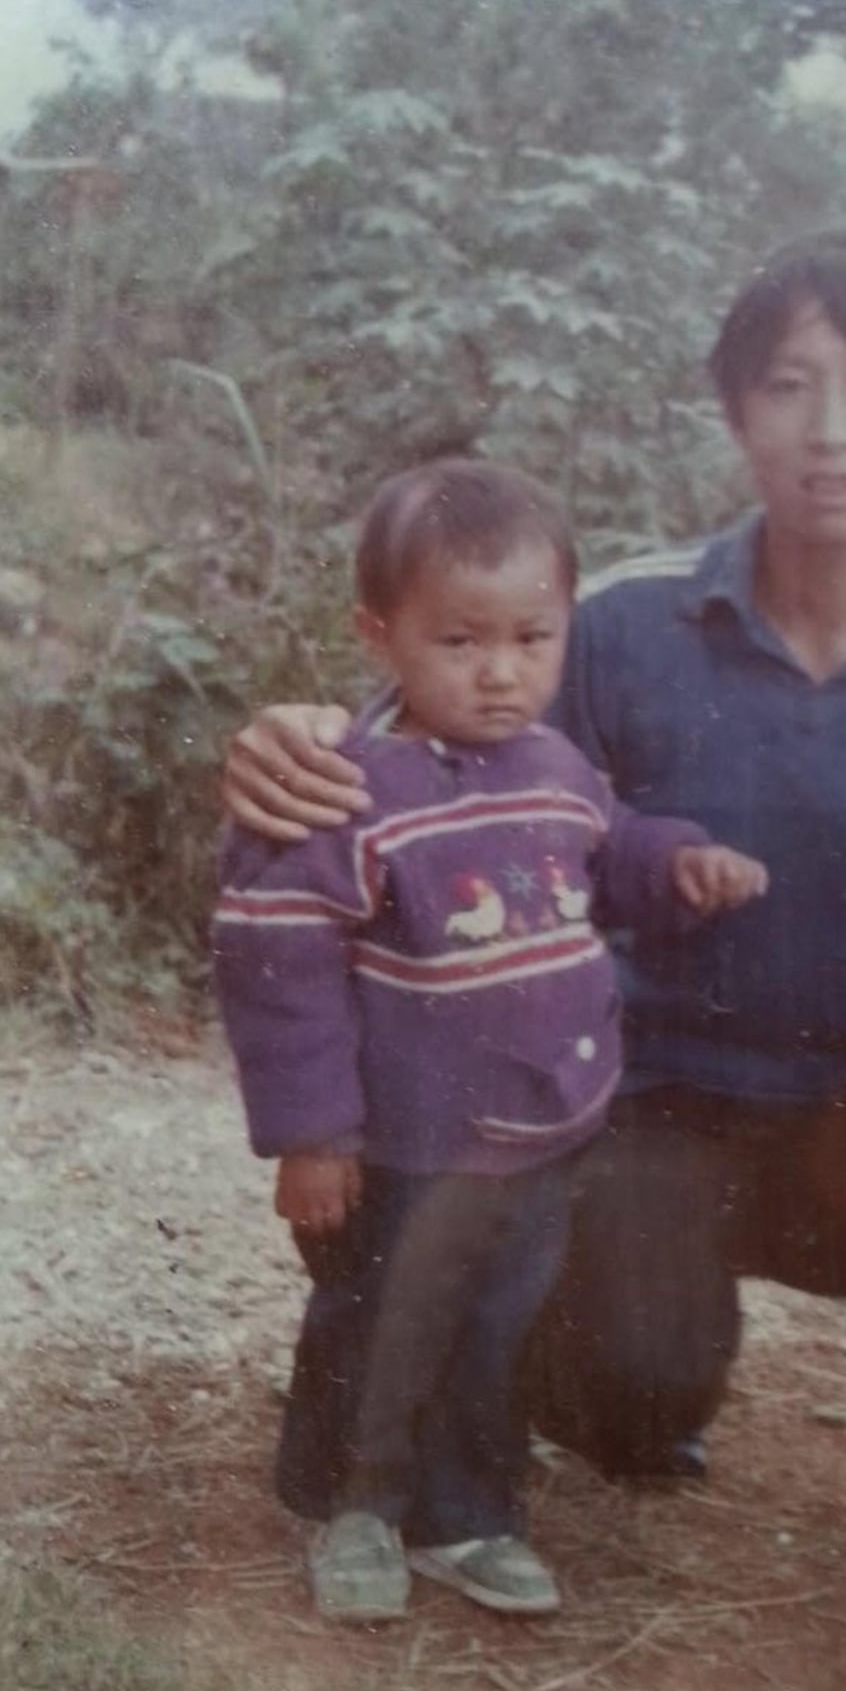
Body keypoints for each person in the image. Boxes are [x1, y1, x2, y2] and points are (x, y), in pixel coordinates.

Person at [221, 232, 846, 1650]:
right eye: (789, 384)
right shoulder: (624, 622)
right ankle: (564, 1382)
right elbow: (431, 745)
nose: (832, 430)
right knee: (638, 1408)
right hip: (636, 1113)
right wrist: (296, 737)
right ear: (735, 413)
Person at [213, 458, 766, 1625]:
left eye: (531, 636)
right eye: (460, 640)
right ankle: (355, 1508)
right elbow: (281, 965)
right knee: (380, 1314)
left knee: (496, 1324)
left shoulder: (556, 767)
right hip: (406, 1140)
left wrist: (677, 862)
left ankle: (467, 1515)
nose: (502, 671)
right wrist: (311, 1136)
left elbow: (608, 851)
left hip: (540, 1131)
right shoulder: (348, 790)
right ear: (381, 634)